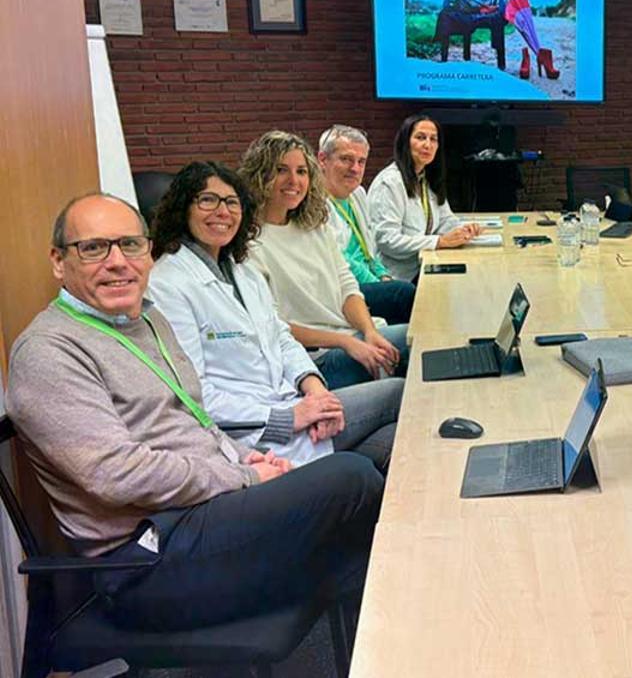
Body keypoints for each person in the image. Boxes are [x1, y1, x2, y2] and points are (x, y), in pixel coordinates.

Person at [4, 193, 382, 631]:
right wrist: (243, 477)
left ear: (148, 252)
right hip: (146, 563)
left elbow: (193, 417)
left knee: (370, 475)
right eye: (93, 248)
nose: (117, 261)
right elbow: (115, 474)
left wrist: (243, 457)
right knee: (352, 478)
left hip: (201, 515)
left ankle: (379, 629)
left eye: (130, 245)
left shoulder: (145, 320)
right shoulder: (49, 352)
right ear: (58, 261)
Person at [147, 161, 402, 473]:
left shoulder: (243, 272)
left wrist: (316, 391)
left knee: (394, 444)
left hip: (297, 407)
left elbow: (281, 337)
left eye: (231, 202)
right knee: (398, 395)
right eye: (207, 200)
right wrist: (290, 416)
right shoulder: (167, 284)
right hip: (255, 435)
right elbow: (192, 394)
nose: (222, 211)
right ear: (182, 208)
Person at [239, 130, 407, 390]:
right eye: (281, 170)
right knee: (413, 360)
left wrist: (370, 331)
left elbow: (347, 286)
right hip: (313, 359)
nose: (293, 180)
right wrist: (346, 342)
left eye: (302, 172)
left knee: (428, 341)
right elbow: (272, 326)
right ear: (260, 174)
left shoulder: (315, 224)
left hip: (353, 335)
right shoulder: (247, 244)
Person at [316, 124, 415, 325]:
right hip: (342, 288)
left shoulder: (358, 194)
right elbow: (341, 261)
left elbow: (368, 249)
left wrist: (383, 275)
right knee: (404, 294)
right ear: (322, 159)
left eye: (361, 162)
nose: (355, 169)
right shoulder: (314, 203)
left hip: (368, 278)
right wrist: (378, 283)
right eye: (346, 159)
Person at [366, 114, 481, 282]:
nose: (427, 144)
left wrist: (463, 230)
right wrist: (438, 242)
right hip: (396, 278)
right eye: (420, 137)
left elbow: (445, 219)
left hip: (424, 267)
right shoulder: (390, 183)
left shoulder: (426, 179)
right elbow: (387, 241)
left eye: (433, 139)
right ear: (405, 142)